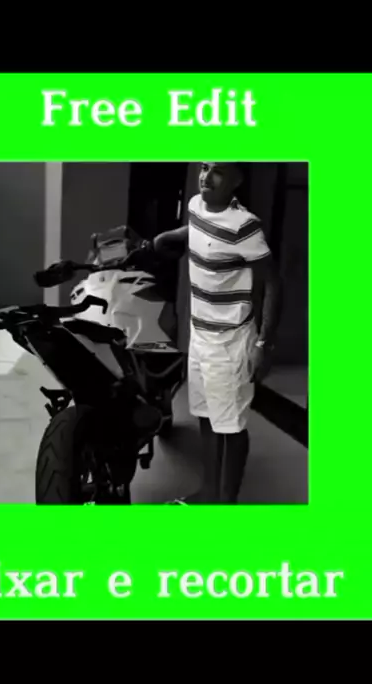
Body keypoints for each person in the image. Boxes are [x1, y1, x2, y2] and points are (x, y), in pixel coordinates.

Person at [127, 162, 283, 504]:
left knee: (231, 426)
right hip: (199, 336)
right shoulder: (196, 205)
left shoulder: (245, 227)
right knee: (206, 415)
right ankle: (209, 493)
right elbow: (198, 229)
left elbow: (273, 284)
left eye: (218, 172)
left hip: (230, 342)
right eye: (204, 167)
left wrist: (263, 344)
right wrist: (167, 238)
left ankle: (226, 505)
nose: (205, 177)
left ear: (237, 180)